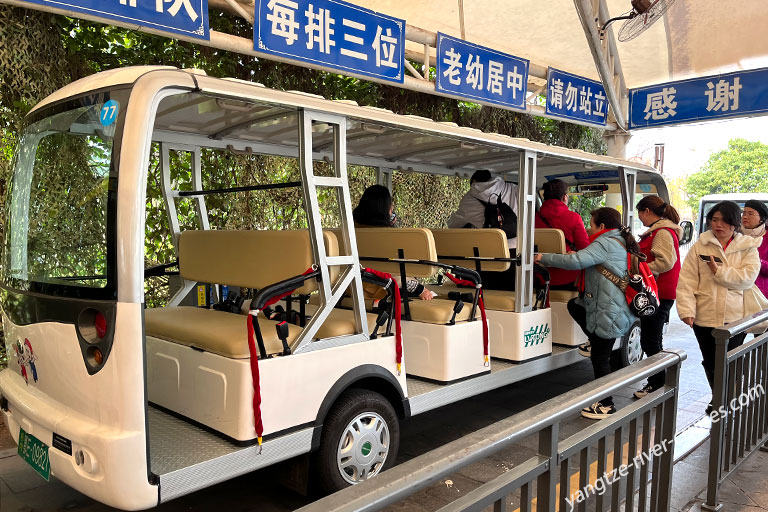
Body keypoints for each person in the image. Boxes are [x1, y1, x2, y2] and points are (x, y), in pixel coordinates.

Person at [535, 207, 638, 419]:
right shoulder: (617, 240)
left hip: (607, 310)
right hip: (611, 307)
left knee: (600, 359)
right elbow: (586, 259)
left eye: (590, 224)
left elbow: (576, 262)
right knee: (575, 305)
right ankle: (593, 341)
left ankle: (606, 404)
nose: (588, 228)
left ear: (601, 226)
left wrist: (545, 257)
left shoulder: (605, 242)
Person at [676, 200, 761, 413]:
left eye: (724, 220)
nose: (718, 225)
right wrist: (686, 309)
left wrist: (719, 272)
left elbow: (747, 278)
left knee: (730, 362)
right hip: (704, 315)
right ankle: (720, 397)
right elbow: (686, 281)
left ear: (734, 224)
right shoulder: (700, 246)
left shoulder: (747, 247)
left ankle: (725, 399)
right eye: (714, 220)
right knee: (711, 362)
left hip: (735, 318)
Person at [632, 196, 683, 399]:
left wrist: (639, 269)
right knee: (652, 339)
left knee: (650, 341)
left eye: (640, 213)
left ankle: (657, 383)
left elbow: (665, 263)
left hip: (658, 293)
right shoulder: (660, 230)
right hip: (659, 292)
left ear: (647, 211)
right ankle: (657, 382)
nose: (640, 218)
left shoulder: (661, 232)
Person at [353, 185, 433, 300]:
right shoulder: (391, 236)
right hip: (383, 289)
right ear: (385, 208)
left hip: (354, 286)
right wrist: (420, 288)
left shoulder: (351, 231)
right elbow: (399, 272)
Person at [534, 179, 589, 289]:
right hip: (568, 276)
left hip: (539, 275)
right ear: (565, 197)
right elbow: (585, 249)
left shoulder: (533, 218)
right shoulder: (573, 218)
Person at [448, 169, 519, 250]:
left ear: (473, 181)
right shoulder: (512, 188)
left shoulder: (468, 199)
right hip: (517, 247)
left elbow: (455, 225)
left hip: (489, 249)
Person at [741, 199, 768, 299]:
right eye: (744, 213)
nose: (745, 217)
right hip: (738, 293)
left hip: (761, 295)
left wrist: (756, 260)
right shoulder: (736, 236)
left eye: (751, 214)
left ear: (762, 218)